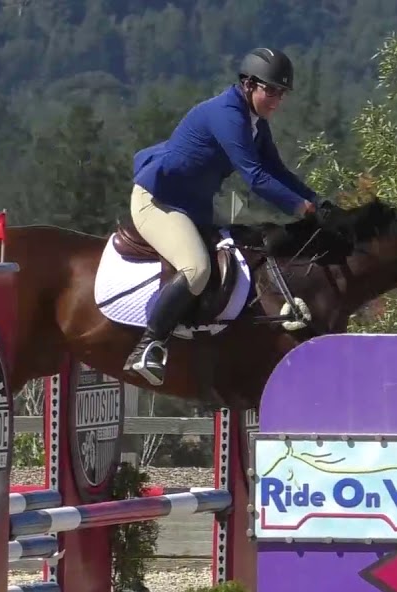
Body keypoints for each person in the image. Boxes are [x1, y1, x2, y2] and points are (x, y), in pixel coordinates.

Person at [124, 47, 322, 386]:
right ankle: (148, 346)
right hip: (157, 202)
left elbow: (277, 169)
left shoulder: (255, 123)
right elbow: (256, 177)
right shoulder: (229, 115)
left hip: (192, 207)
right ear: (248, 84)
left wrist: (317, 201)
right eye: (270, 90)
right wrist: (299, 208)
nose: (277, 99)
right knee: (196, 269)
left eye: (281, 92)